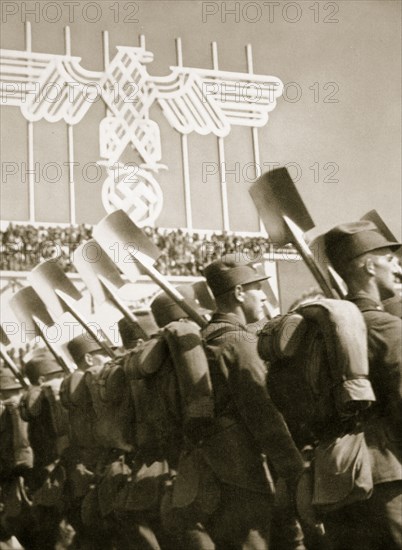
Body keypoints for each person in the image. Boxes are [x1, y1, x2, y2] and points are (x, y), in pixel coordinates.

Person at [170, 254, 305, 549]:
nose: (263, 298)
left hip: (207, 475)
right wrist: (296, 473)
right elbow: (266, 418)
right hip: (242, 477)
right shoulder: (239, 343)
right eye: (257, 289)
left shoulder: (206, 337)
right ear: (239, 293)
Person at [323, 220, 402, 550]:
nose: (398, 269)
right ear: (369, 266)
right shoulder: (387, 326)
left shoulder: (318, 331)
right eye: (391, 260)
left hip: (334, 478)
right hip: (388, 477)